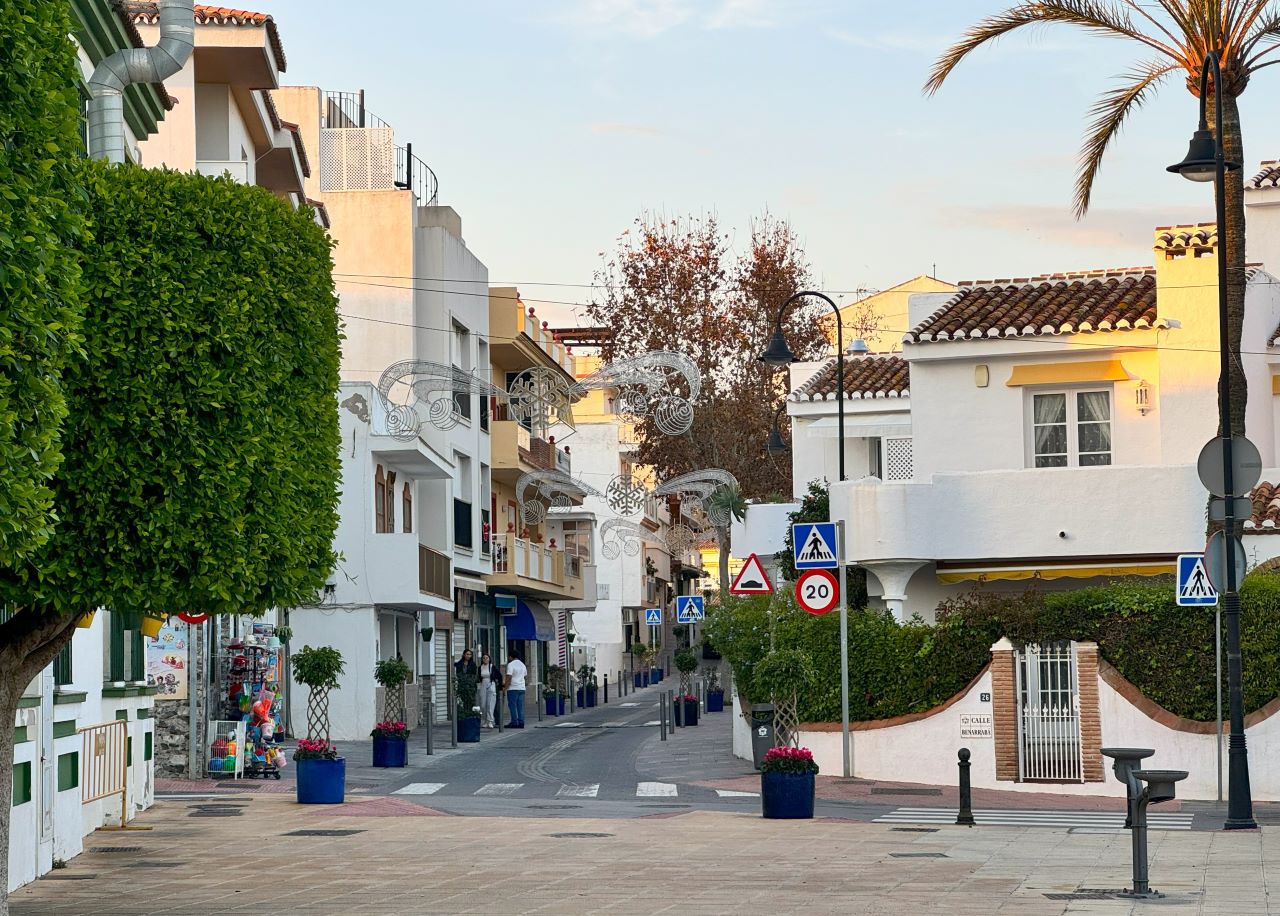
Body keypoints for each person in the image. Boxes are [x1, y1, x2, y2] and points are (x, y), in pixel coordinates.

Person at [504, 650, 527, 728]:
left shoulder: (510, 665)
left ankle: (514, 721)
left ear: (511, 657)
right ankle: (521, 721)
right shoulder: (522, 665)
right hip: (522, 687)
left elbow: (509, 676)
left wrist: (505, 688)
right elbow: (525, 676)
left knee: (512, 705)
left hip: (513, 688)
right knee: (520, 705)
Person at [477, 652, 500, 728]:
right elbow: (478, 677)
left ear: (489, 659)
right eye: (484, 658)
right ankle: (484, 720)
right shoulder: (480, 667)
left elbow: (499, 675)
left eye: (487, 658)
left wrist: (498, 683)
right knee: (483, 704)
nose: (485, 659)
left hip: (491, 684)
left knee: (490, 704)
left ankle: (490, 721)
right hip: (483, 684)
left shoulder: (492, 667)